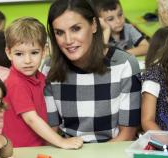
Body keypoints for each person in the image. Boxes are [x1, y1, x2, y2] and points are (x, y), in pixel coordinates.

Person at [43, 0, 141, 143]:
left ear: (94, 25)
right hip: (67, 151)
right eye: (59, 32)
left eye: (76, 29)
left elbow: (126, 135)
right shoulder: (49, 68)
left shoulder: (124, 65)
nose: (68, 40)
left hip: (112, 152)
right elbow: (52, 131)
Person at [2, 17, 83, 149]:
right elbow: (31, 119)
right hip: (21, 151)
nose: (27, 60)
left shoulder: (40, 77)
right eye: (19, 54)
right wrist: (61, 141)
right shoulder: (15, 83)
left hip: (39, 146)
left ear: (44, 51)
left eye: (34, 52)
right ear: (9, 53)